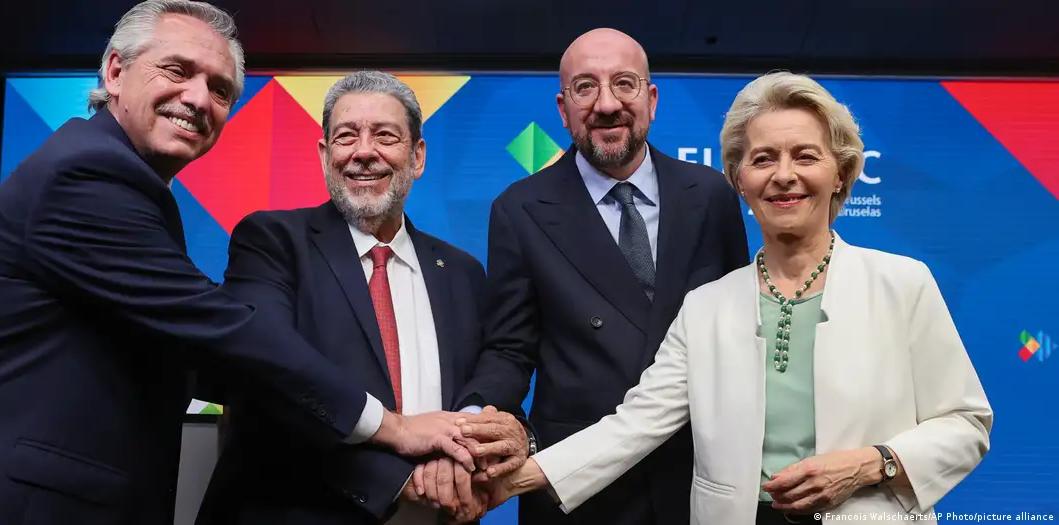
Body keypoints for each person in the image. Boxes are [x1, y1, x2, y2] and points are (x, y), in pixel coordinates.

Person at [0, 4, 472, 525]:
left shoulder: (123, 181)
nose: (197, 98)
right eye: (177, 70)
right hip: (9, 499)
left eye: (219, 89)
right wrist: (395, 429)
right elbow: (222, 331)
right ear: (114, 71)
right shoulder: (87, 173)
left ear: (418, 157)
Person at [474, 72, 994, 525]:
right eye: (763, 159)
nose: (783, 175)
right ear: (739, 181)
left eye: (805, 156)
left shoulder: (902, 283)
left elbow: (967, 425)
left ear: (840, 172)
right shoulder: (706, 307)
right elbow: (631, 427)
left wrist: (872, 462)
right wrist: (509, 482)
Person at [194, 70, 526, 525]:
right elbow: (266, 384)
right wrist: (400, 480)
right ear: (324, 154)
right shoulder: (272, 241)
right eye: (346, 136)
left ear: (418, 156)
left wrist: (475, 445)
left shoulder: (463, 272)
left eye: (385, 136)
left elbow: (492, 378)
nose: (363, 152)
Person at [453, 27, 751, 525]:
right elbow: (509, 348)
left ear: (652, 100)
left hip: (697, 473)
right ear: (563, 108)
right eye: (585, 87)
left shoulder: (711, 194)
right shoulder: (520, 209)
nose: (607, 103)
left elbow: (740, 331)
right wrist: (472, 419)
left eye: (625, 84)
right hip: (578, 482)